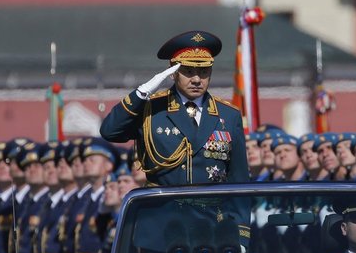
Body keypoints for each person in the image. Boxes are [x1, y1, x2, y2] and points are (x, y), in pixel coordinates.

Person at [99, 30, 248, 186]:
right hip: (165, 208)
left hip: (212, 209)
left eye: (203, 72)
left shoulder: (229, 115)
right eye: (188, 71)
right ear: (172, 73)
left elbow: (239, 178)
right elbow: (110, 131)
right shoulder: (151, 110)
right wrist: (141, 93)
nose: (197, 79)